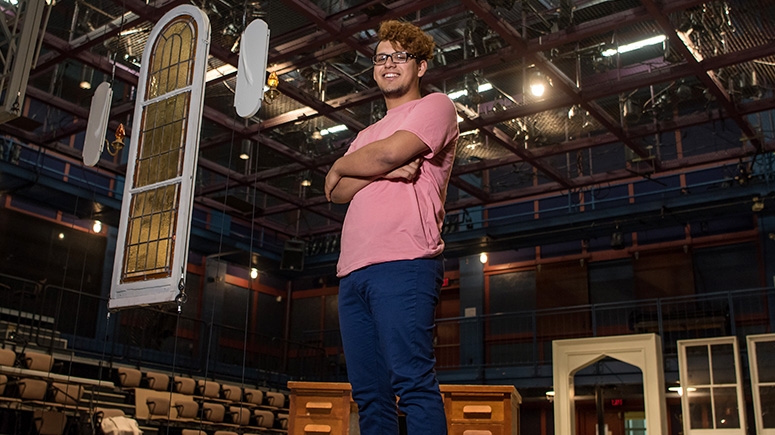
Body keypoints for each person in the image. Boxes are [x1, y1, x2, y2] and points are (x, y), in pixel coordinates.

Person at [324, 19, 459, 435]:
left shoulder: (436, 107)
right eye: (381, 57)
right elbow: (335, 192)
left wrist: (351, 164)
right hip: (352, 271)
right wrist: (355, 165)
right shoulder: (365, 134)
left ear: (419, 66)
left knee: (412, 382)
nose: (388, 64)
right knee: (369, 395)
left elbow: (385, 156)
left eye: (399, 56)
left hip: (405, 261)